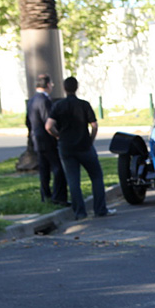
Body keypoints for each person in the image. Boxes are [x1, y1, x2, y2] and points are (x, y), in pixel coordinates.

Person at [45, 77, 114, 219]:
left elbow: (48, 126)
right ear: (77, 87)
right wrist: (91, 139)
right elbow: (94, 125)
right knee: (96, 176)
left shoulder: (58, 106)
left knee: (73, 180)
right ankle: (100, 209)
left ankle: (80, 212)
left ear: (64, 88)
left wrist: (58, 136)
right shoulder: (84, 105)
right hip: (84, 145)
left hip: (66, 147)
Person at [26, 74, 68, 205]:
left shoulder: (32, 100)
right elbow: (48, 121)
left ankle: (45, 196)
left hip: (37, 140)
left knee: (44, 170)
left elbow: (28, 121)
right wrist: (57, 135)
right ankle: (58, 197)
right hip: (47, 140)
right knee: (58, 169)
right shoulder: (44, 101)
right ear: (48, 85)